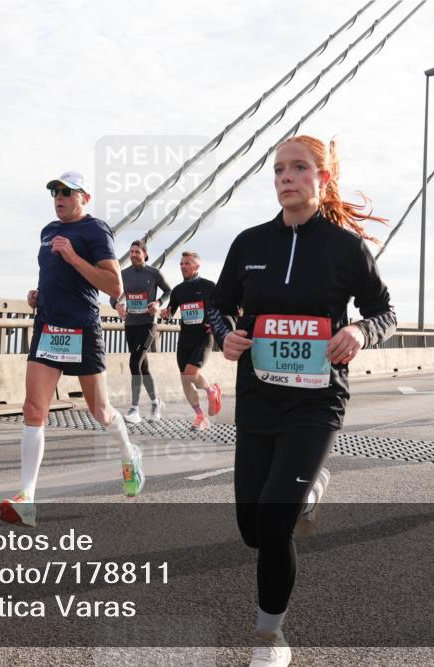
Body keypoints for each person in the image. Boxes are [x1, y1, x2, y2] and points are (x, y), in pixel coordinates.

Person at [208, 136, 395, 666]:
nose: (286, 177)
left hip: (316, 403)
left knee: (273, 523)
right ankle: (310, 484)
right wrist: (225, 336)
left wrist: (360, 330)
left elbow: (385, 312)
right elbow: (218, 310)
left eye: (299, 168)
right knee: (251, 528)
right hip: (259, 400)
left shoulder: (345, 248)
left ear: (322, 179)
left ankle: (270, 638)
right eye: (279, 170)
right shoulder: (248, 244)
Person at [0, 171, 144, 528]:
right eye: (55, 192)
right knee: (34, 409)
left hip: (83, 329)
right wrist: (37, 296)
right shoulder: (48, 231)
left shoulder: (96, 230)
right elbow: (51, 275)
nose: (59, 197)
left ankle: (130, 455)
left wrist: (75, 258)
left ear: (85, 197)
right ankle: (27, 498)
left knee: (100, 410)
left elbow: (114, 286)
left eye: (67, 192)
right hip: (49, 326)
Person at [158, 251, 222, 431]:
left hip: (203, 337)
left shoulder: (209, 286)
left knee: (191, 373)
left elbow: (223, 307)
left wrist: (217, 323)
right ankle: (201, 416)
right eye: (181, 264)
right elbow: (170, 312)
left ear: (197, 266)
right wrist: (165, 313)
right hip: (185, 339)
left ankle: (212, 390)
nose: (183, 266)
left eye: (187, 263)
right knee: (185, 380)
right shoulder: (178, 290)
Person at [111, 239, 171, 424]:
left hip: (148, 324)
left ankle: (134, 408)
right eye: (131, 252)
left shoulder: (154, 273)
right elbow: (113, 296)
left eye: (137, 252)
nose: (134, 255)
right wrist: (117, 306)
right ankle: (156, 403)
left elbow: (168, 291)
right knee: (142, 367)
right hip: (131, 324)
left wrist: (158, 303)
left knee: (134, 362)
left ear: (145, 254)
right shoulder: (124, 274)